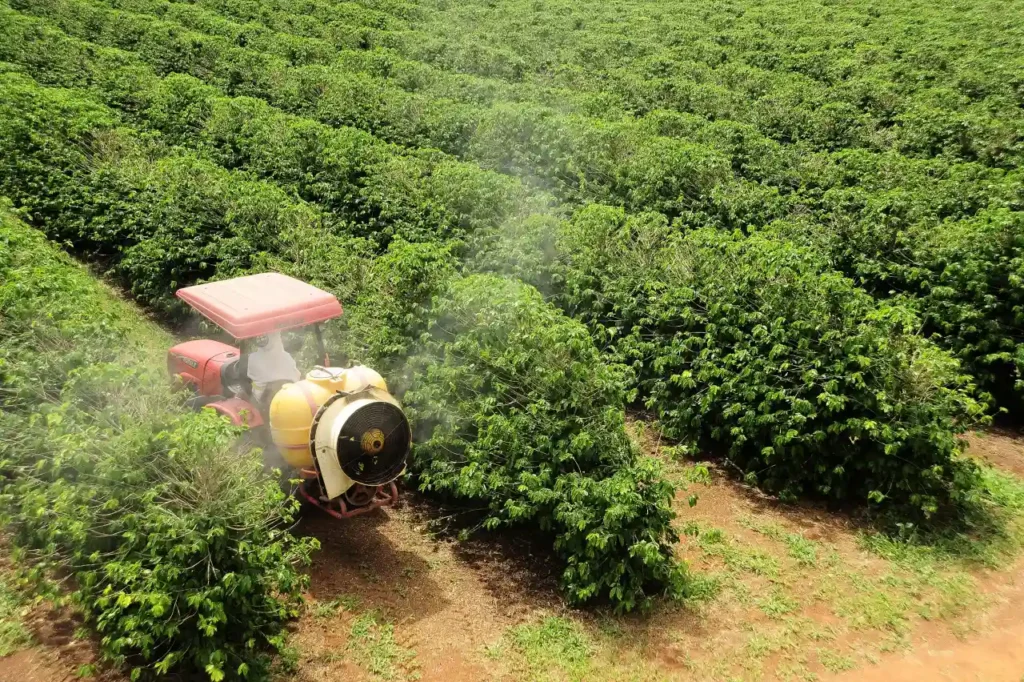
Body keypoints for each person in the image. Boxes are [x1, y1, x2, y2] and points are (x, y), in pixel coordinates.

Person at [247, 332, 300, 406]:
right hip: (291, 398)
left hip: (264, 402)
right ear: (276, 338)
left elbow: (251, 378)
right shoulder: (286, 357)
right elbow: (297, 376)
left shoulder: (253, 358)